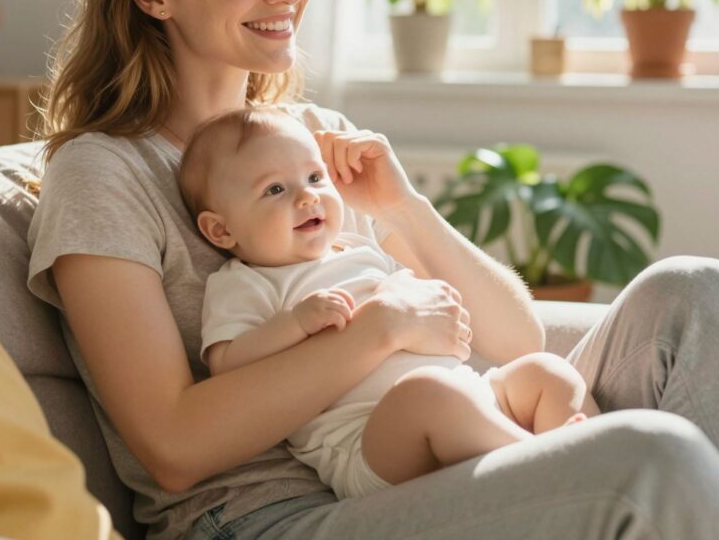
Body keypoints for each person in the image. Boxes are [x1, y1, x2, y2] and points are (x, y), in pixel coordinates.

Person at [26, 0, 719, 540]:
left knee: (698, 291)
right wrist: (374, 334)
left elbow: (513, 340)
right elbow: (172, 447)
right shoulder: (102, 172)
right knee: (646, 458)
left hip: (431, 448)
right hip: (268, 517)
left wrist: (401, 210)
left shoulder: (310, 140)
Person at [178, 106, 597, 499]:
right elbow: (227, 365)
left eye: (315, 178)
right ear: (220, 231)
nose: (307, 198)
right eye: (274, 189)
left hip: (464, 394)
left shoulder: (360, 248)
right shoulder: (244, 284)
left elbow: (435, 310)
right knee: (429, 393)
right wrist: (294, 324)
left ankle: (602, 454)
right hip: (369, 441)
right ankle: (554, 470)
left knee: (547, 372)